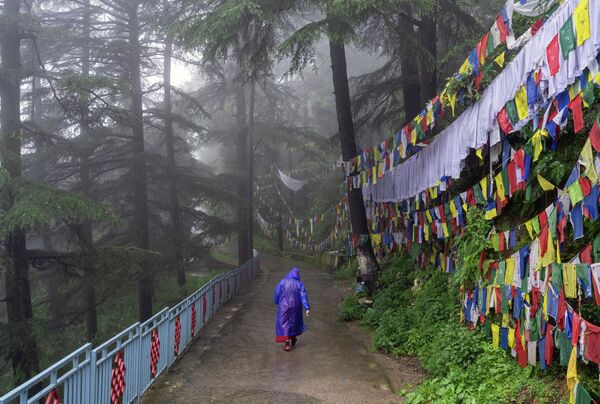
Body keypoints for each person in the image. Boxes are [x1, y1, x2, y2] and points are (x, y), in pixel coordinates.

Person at [274, 267, 310, 351]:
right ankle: (293, 338)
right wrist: (307, 307)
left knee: (284, 323)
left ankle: (287, 344)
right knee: (294, 322)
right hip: (296, 306)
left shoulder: (282, 282)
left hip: (283, 306)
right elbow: (303, 296)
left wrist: (277, 302)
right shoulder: (299, 284)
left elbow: (276, 292)